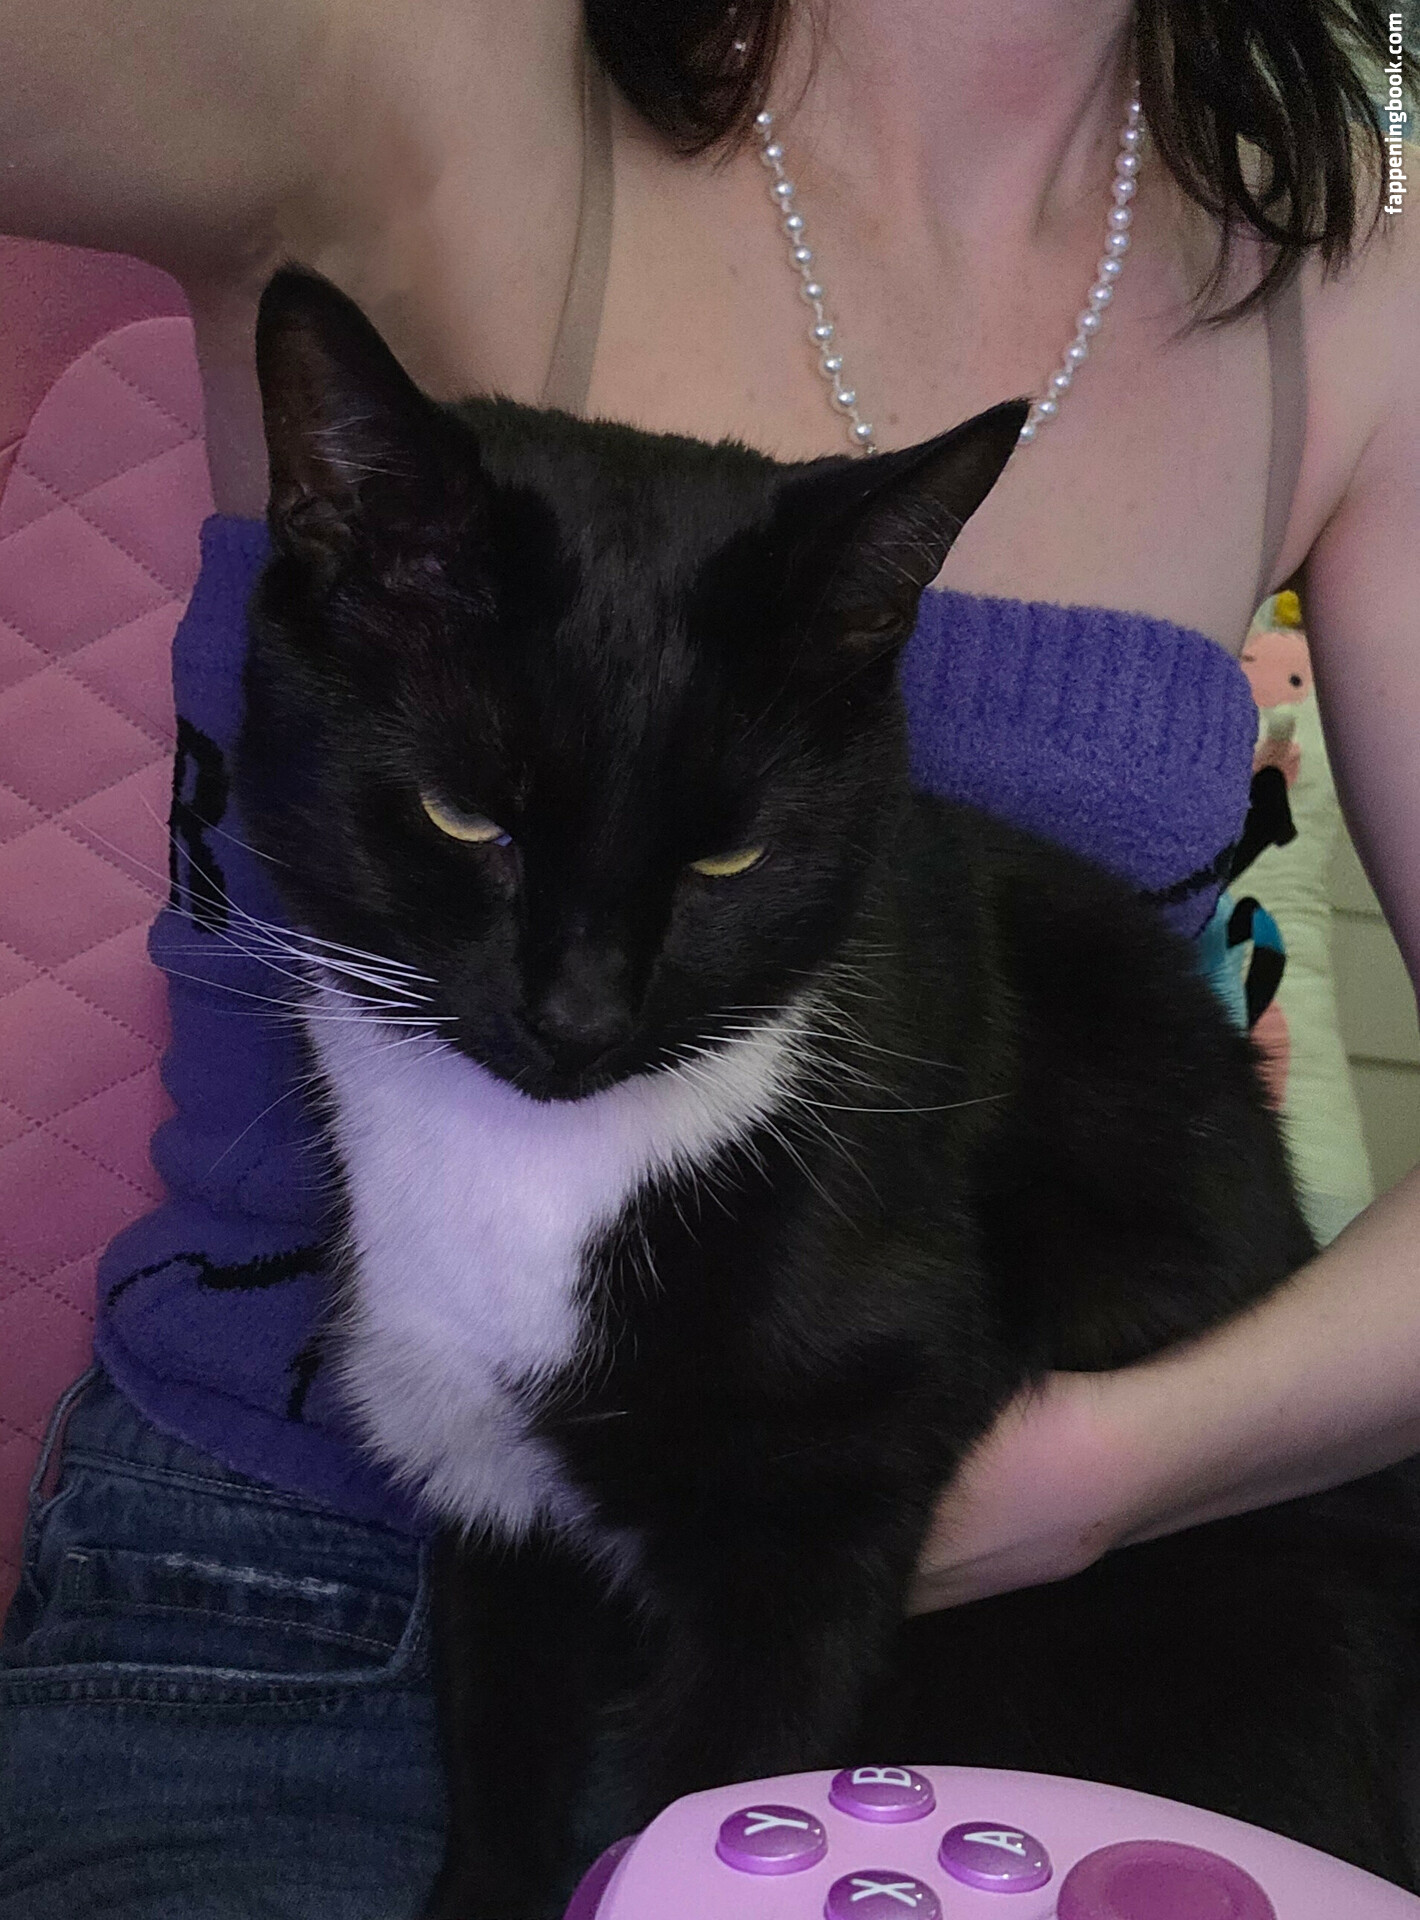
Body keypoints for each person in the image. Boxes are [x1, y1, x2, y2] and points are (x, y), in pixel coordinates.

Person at [1, 1, 1417, 1912]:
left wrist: (1097, 1478)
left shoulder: (1353, 287)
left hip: (1055, 1619)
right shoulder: (444, 68)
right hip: (299, 1602)